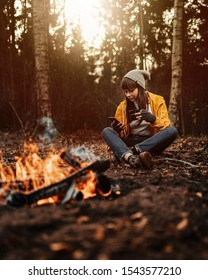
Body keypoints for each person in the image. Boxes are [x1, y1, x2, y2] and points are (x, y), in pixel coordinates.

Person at [102, 69, 178, 169]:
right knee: (107, 131)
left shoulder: (157, 100)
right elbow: (120, 134)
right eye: (126, 92)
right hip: (130, 140)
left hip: (151, 142)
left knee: (172, 131)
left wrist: (153, 119)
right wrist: (117, 129)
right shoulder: (122, 106)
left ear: (140, 87)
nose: (128, 95)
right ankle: (131, 158)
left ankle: (127, 153)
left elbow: (166, 125)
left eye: (131, 91)